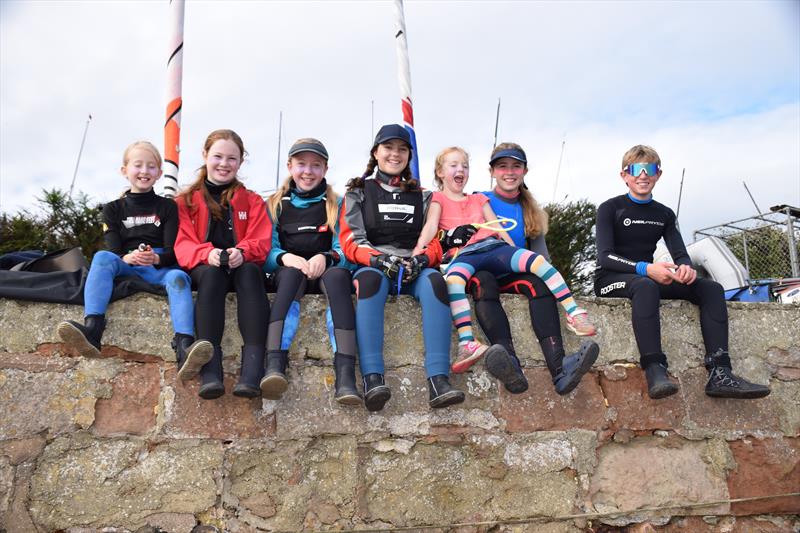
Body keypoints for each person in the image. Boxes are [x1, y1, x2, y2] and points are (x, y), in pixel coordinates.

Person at [594, 144, 770, 399]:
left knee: (710, 288)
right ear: (625, 175)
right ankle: (655, 369)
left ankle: (721, 373)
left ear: (658, 174)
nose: (643, 175)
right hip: (611, 279)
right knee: (646, 285)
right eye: (636, 169)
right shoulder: (610, 208)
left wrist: (685, 267)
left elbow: (679, 252)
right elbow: (604, 257)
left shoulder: (663, 213)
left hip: (648, 277)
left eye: (650, 169)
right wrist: (646, 269)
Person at [414, 147, 597, 381]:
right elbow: (431, 227)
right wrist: (419, 249)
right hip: (469, 259)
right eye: (453, 166)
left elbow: (498, 229)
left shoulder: (481, 199)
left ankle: (573, 318)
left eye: (465, 166)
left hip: (494, 250)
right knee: (461, 281)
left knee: (537, 267)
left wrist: (519, 255)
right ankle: (473, 345)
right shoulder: (439, 198)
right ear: (439, 172)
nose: (460, 170)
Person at [57, 141, 212, 378]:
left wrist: (156, 258)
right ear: (124, 170)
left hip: (158, 265)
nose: (144, 171)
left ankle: (184, 347)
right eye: (138, 165)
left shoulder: (168, 206)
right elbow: (114, 249)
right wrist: (127, 257)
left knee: (180, 278)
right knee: (101, 257)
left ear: (159, 174)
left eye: (151, 167)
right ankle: (92, 330)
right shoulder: (112, 209)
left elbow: (174, 252)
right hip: (126, 264)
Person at [339, 124, 465, 411]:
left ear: (409, 155)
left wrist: (422, 260)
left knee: (435, 283)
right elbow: (349, 239)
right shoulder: (358, 192)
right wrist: (378, 259)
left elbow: (436, 239)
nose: (395, 154)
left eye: (402, 149)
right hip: (374, 264)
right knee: (370, 284)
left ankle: (438, 381)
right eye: (388, 148)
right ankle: (373, 378)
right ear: (376, 152)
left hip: (413, 265)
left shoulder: (423, 196)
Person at [467, 143, 601, 395]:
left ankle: (560, 369)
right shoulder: (478, 199)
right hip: (479, 270)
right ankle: (509, 362)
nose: (509, 172)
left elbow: (542, 260)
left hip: (511, 272)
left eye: (515, 166)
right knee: (484, 281)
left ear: (525, 170)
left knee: (539, 284)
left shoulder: (530, 210)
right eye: (502, 166)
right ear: (492, 171)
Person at [174, 129, 271, 400]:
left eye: (232, 158)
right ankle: (211, 372)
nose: (224, 164)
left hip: (241, 266)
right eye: (217, 156)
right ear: (205, 156)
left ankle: (252, 372)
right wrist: (207, 254)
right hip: (205, 268)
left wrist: (243, 251)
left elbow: (261, 240)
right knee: (213, 275)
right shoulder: (184, 201)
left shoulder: (252, 200)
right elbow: (181, 244)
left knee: (251, 272)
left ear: (240, 162)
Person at [263, 138, 360, 404]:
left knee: (340, 277)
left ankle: (346, 377)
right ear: (289, 166)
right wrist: (284, 258)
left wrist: (326, 257)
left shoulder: (338, 204)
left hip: (327, 273)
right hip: (290, 274)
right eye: (301, 164)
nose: (308, 171)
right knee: (291, 277)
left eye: (315, 165)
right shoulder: (274, 204)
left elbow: (347, 250)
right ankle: (274, 364)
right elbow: (265, 252)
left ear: (325, 169)